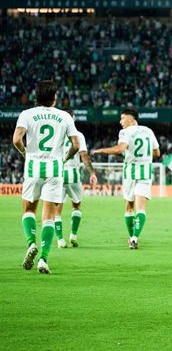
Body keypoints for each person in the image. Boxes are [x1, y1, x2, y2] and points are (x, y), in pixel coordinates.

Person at [12, 80, 80, 274]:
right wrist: (64, 158)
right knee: (49, 215)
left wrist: (26, 153)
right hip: (55, 168)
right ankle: (43, 259)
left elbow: (16, 139)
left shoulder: (27, 114)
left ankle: (31, 243)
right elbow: (75, 144)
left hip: (33, 167)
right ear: (54, 97)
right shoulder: (64, 116)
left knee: (29, 209)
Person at [91, 109, 160, 249]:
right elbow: (157, 153)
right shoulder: (148, 130)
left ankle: (131, 237)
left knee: (129, 207)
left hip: (130, 173)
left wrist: (100, 150)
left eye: (122, 118)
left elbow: (119, 149)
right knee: (141, 209)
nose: (120, 122)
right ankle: (134, 238)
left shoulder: (125, 132)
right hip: (145, 173)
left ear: (131, 118)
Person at [54, 110, 98, 248]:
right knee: (76, 205)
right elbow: (84, 155)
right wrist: (92, 173)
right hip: (73, 174)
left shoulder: (56, 134)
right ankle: (73, 235)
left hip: (57, 174)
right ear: (73, 118)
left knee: (57, 210)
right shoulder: (78, 135)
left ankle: (60, 239)